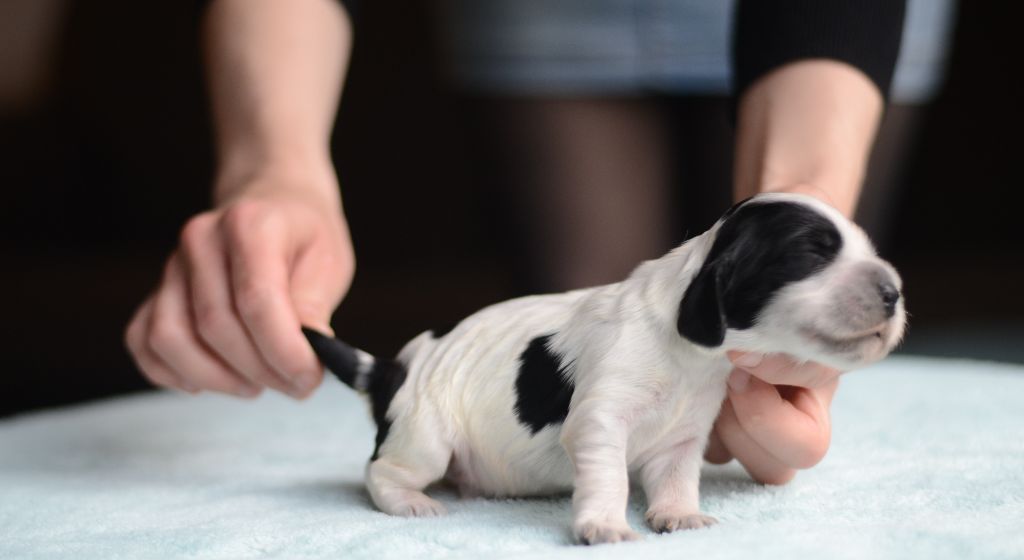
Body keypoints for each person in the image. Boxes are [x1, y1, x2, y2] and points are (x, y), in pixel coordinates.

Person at [125, 0, 919, 485]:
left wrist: (803, 192)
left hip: (836, 26)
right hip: (557, 16)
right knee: (590, 358)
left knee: (758, 384)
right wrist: (275, 166)